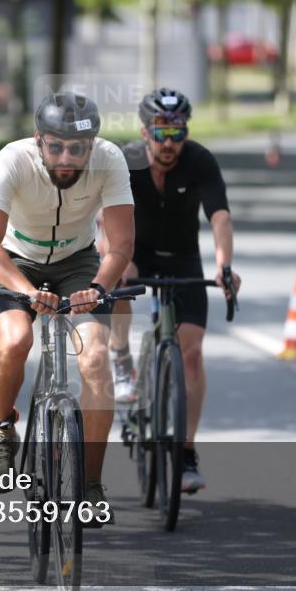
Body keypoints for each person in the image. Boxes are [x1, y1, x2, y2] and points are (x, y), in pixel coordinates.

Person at [0, 91, 135, 526]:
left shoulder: (110, 160)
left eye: (78, 148)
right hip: (16, 261)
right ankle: (2, 428)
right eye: (56, 146)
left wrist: (99, 289)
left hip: (78, 262)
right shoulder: (12, 160)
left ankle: (90, 484)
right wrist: (26, 290)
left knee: (96, 358)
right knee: (16, 339)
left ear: (92, 144)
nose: (66, 158)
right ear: (38, 139)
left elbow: (120, 244)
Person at [101, 87, 241, 494]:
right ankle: (122, 359)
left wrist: (225, 265)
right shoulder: (124, 161)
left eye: (177, 132)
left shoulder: (199, 160)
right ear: (144, 132)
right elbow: (103, 215)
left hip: (182, 258)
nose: (168, 142)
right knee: (118, 282)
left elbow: (220, 216)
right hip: (132, 250)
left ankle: (185, 452)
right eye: (160, 132)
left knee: (192, 355)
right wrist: (116, 255)